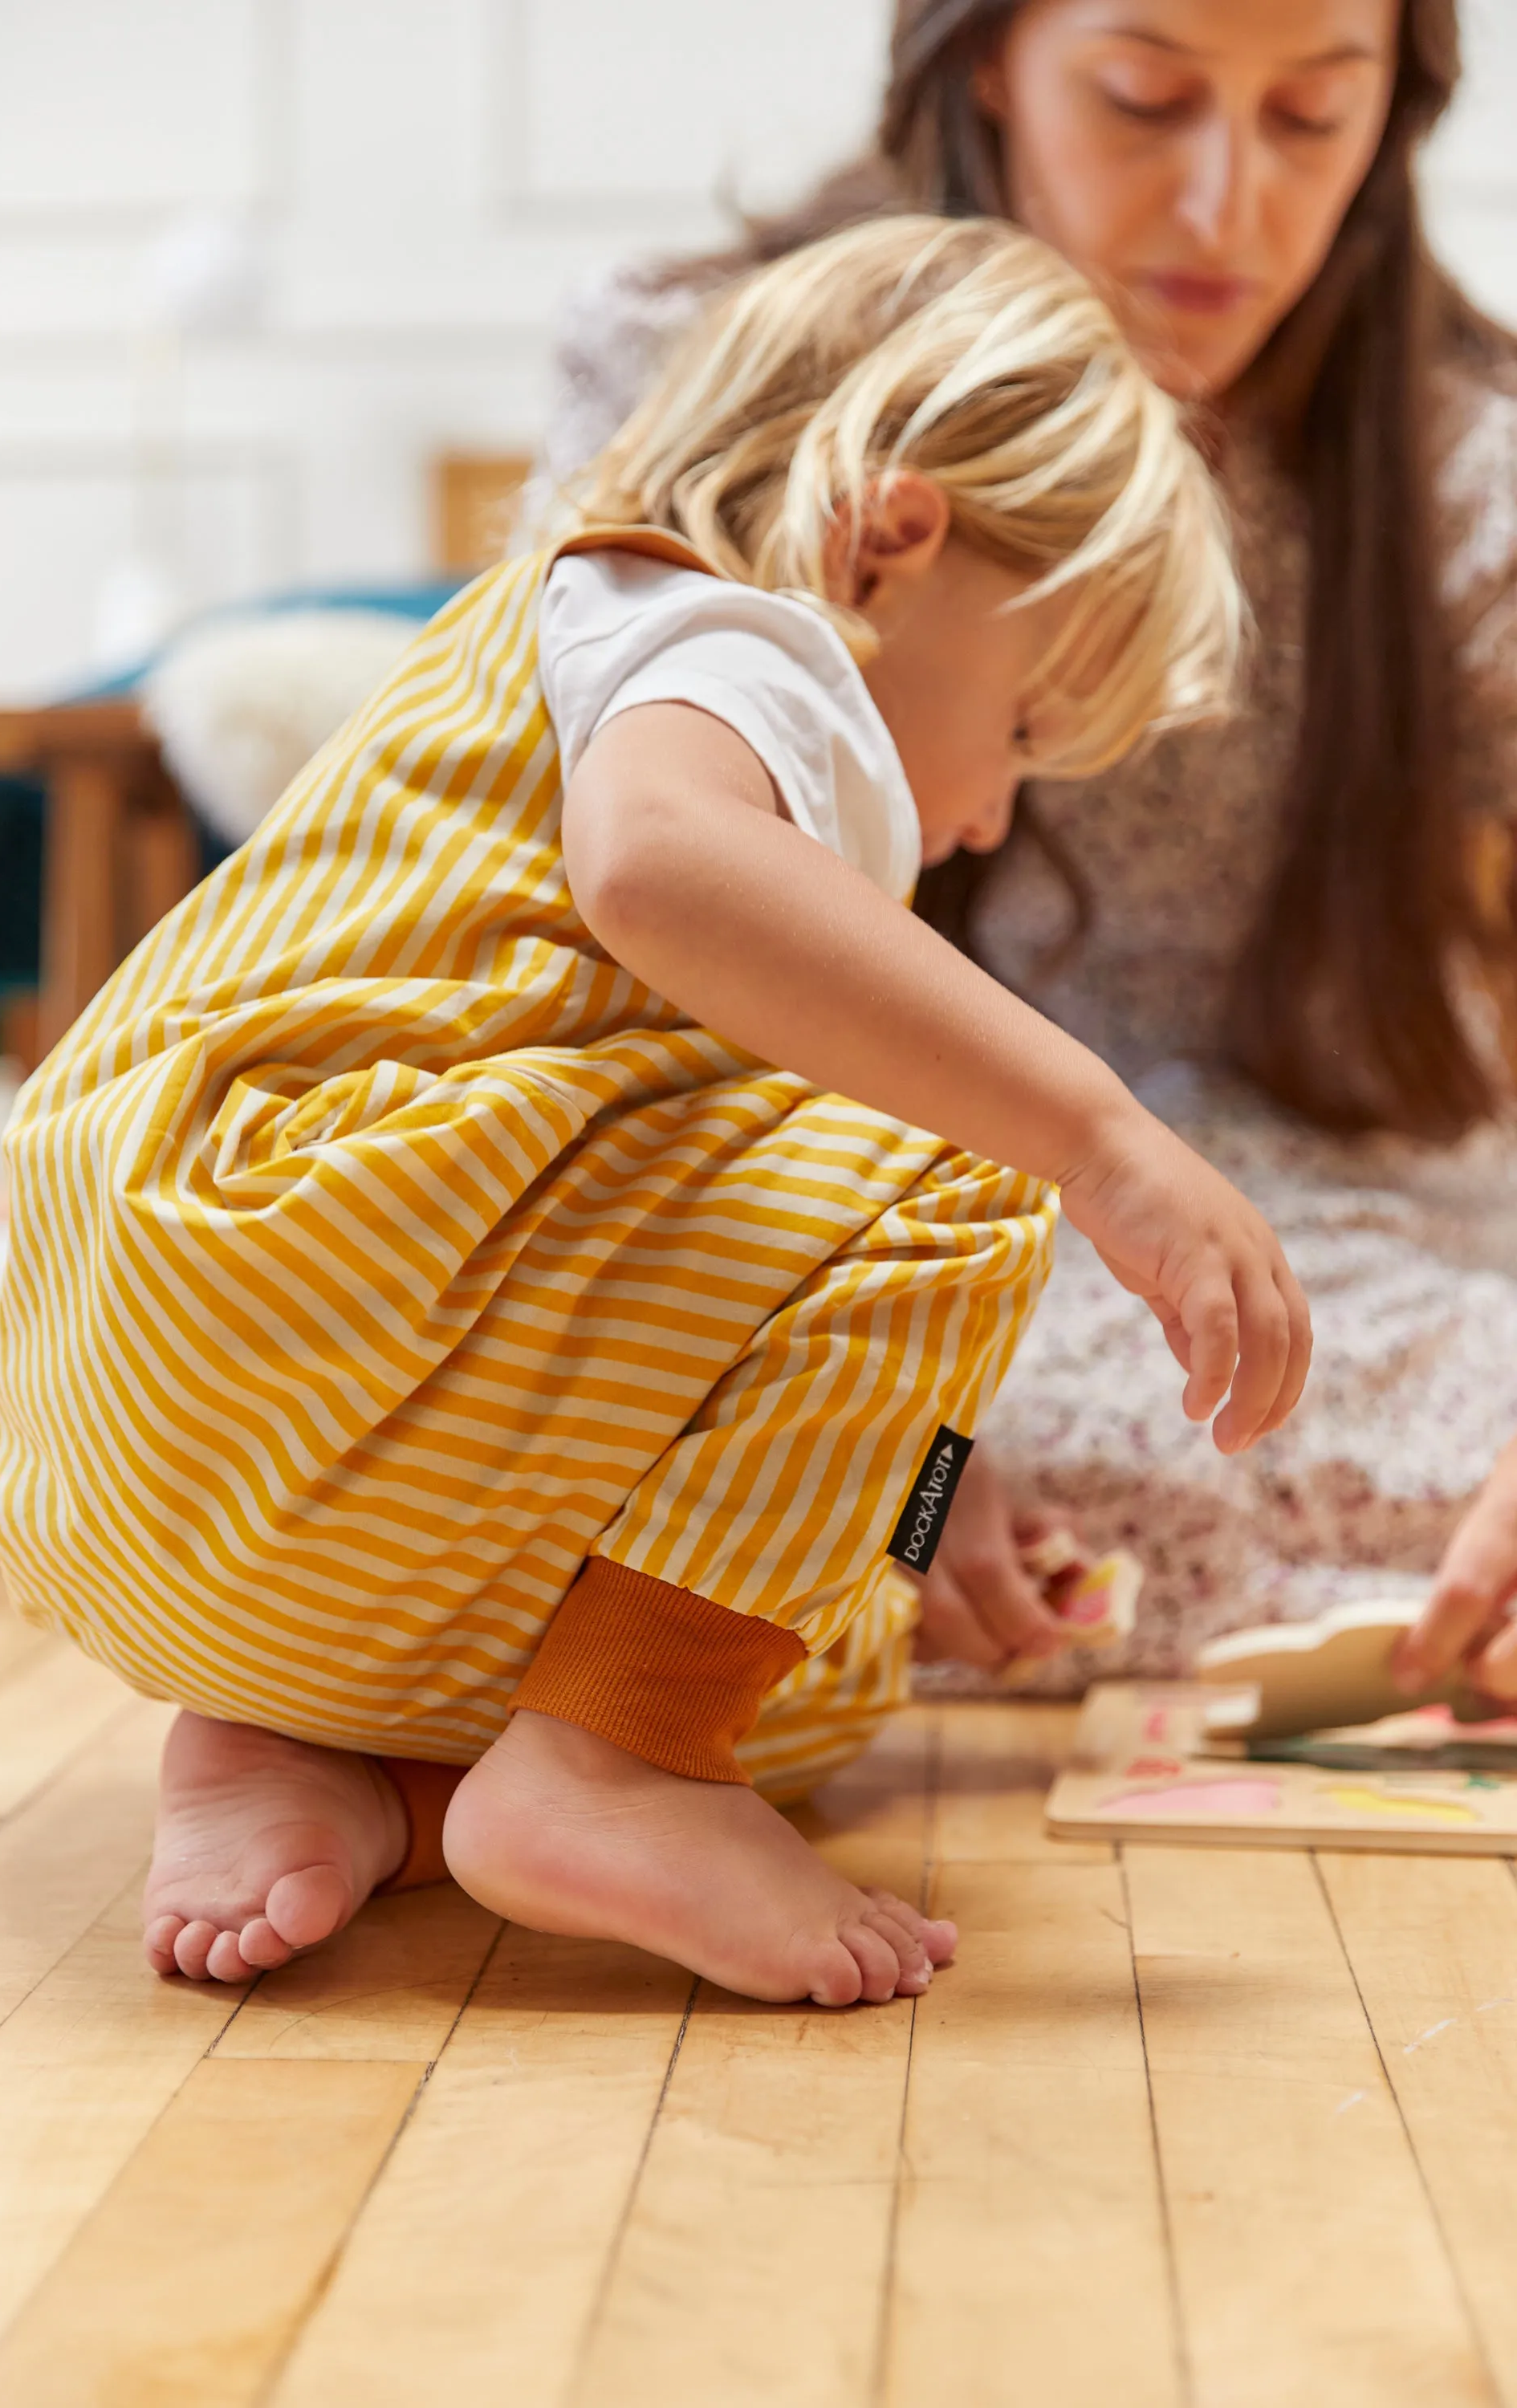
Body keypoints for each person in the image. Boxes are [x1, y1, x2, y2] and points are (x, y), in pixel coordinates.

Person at [0, 217, 1303, 2005]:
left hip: (156, 1431)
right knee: (974, 1164)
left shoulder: (559, 658)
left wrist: (918, 1493)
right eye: (1028, 724)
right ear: (891, 534)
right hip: (290, 1274)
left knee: (823, 1661)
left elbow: (722, 1235)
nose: (989, 820)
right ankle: (602, 1768)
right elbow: (663, 864)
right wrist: (1102, 1135)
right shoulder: (723, 632)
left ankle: (302, 1741)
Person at [534, 0, 1517, 1692]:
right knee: (715, 1410)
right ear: (982, 57)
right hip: (839, 1207)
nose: (1227, 209)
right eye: (1144, 100)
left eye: (1309, 119)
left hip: (1357, 1227)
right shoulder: (723, 374)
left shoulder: (1463, 459)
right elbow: (633, 914)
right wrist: (872, 1368)